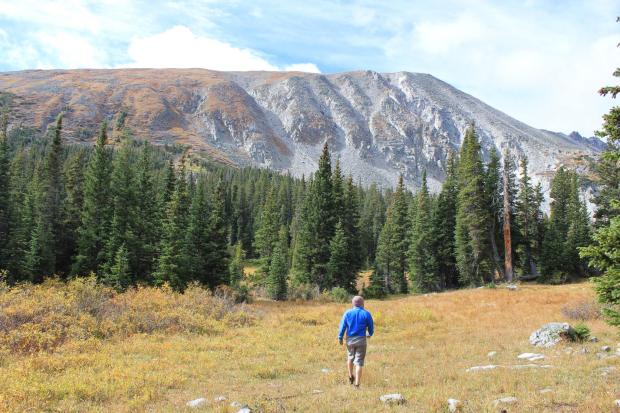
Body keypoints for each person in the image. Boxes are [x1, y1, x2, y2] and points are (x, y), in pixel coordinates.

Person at [337, 295, 374, 387]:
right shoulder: (366, 313)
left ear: (353, 304)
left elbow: (342, 326)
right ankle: (357, 384)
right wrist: (369, 333)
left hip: (350, 339)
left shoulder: (347, 313)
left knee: (350, 357)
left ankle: (350, 376)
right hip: (361, 340)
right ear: (362, 304)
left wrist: (340, 337)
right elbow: (371, 328)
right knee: (359, 361)